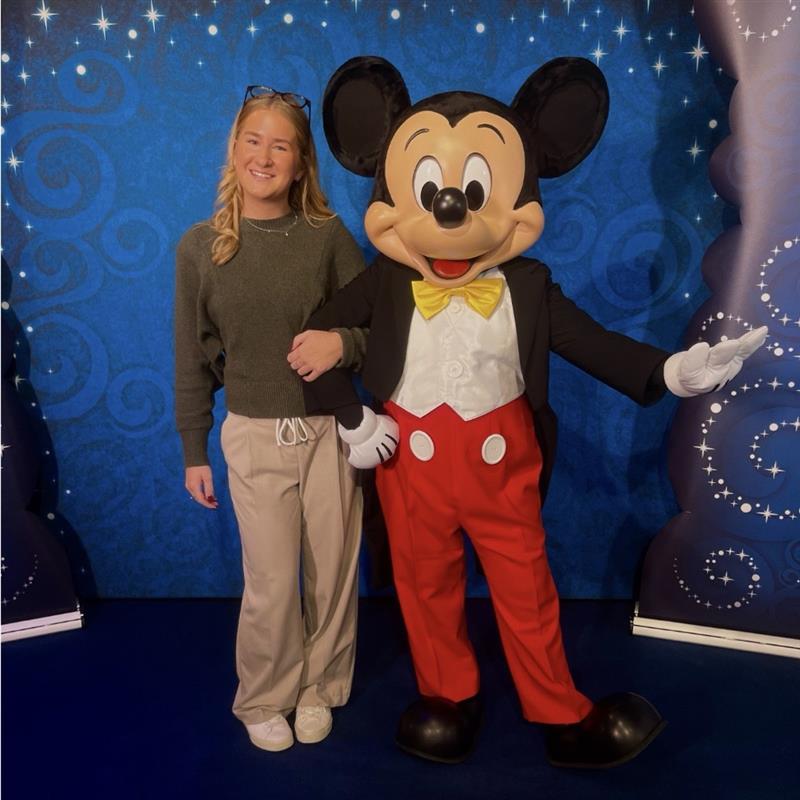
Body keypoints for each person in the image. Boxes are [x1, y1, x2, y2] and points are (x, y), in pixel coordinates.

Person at [174, 86, 367, 753]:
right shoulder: (200, 248)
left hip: (329, 434)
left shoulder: (326, 237)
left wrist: (343, 344)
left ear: (300, 161)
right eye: (253, 140)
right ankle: (264, 695)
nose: (265, 155)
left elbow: (378, 326)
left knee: (333, 571)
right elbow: (190, 358)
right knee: (273, 582)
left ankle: (320, 688)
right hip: (253, 436)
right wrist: (194, 448)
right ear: (233, 149)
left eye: (280, 144)